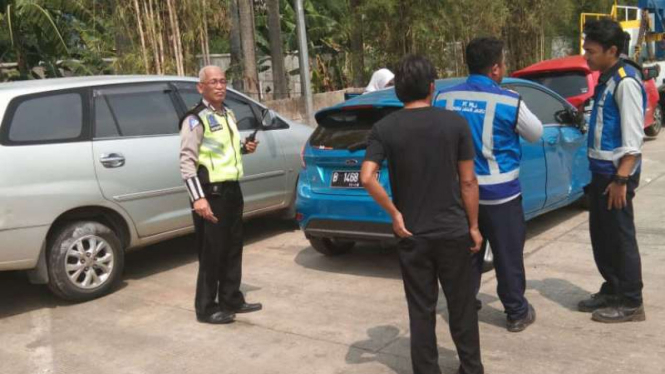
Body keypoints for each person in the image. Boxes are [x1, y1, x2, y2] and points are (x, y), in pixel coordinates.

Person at [361, 55, 484, 374]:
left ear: (398, 90)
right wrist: (473, 226)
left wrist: (394, 214)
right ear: (432, 87)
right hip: (453, 230)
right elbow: (468, 181)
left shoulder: (384, 128)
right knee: (461, 306)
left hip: (411, 233)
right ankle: (471, 367)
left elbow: (366, 177)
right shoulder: (454, 123)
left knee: (421, 309)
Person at [436, 37, 543, 333]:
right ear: (496, 68)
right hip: (501, 196)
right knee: (507, 254)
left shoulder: (444, 98)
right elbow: (535, 133)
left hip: (459, 193)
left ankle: (465, 303)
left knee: (468, 251)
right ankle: (516, 312)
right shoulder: (509, 100)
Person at [179, 65, 262, 324]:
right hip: (210, 194)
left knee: (233, 247)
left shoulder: (228, 114)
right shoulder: (195, 118)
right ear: (201, 87)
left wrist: (244, 148)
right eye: (213, 82)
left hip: (232, 190)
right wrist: (198, 198)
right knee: (212, 251)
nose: (219, 86)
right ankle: (206, 307)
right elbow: (186, 162)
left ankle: (231, 298)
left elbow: (223, 150)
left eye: (223, 81)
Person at [578, 19, 646, 323]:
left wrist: (622, 178)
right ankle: (613, 288)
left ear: (612, 50)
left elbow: (634, 140)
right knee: (602, 237)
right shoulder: (607, 77)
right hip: (601, 173)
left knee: (620, 238)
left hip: (616, 176)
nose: (586, 56)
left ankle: (631, 302)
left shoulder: (626, 82)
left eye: (591, 51)